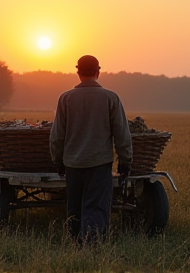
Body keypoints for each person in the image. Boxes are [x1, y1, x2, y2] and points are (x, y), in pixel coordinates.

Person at [49, 55, 133, 244]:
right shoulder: (111, 98)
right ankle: (92, 245)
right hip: (99, 164)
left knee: (75, 207)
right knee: (95, 207)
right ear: (98, 72)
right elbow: (121, 133)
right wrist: (125, 161)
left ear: (78, 73)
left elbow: (57, 136)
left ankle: (75, 244)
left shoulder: (66, 98)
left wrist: (58, 161)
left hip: (72, 164)